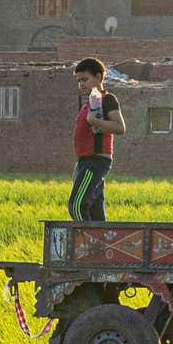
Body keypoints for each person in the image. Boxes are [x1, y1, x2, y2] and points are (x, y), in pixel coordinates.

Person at [70, 57, 125, 221]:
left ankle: (85, 244)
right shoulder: (90, 103)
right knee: (95, 213)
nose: (81, 84)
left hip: (94, 161)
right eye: (79, 81)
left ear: (99, 77)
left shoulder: (106, 99)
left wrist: (94, 121)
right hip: (84, 162)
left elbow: (120, 127)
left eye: (85, 79)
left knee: (77, 205)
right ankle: (101, 244)